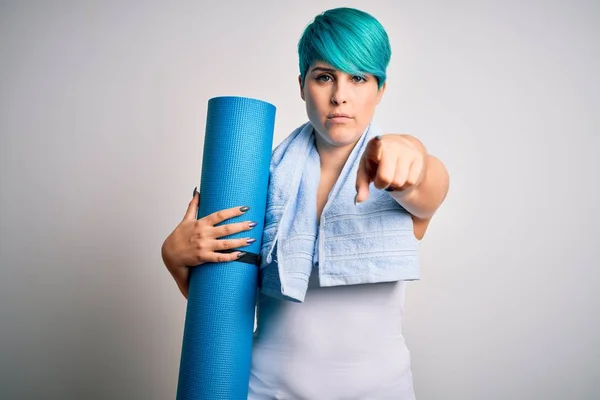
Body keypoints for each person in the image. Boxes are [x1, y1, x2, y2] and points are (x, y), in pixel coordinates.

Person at [161, 7, 449, 399]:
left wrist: (412, 153)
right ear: (302, 84)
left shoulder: (396, 172)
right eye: (325, 76)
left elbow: (427, 184)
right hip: (263, 389)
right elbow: (225, 304)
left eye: (359, 78)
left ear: (380, 89)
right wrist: (176, 259)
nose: (340, 96)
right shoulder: (254, 180)